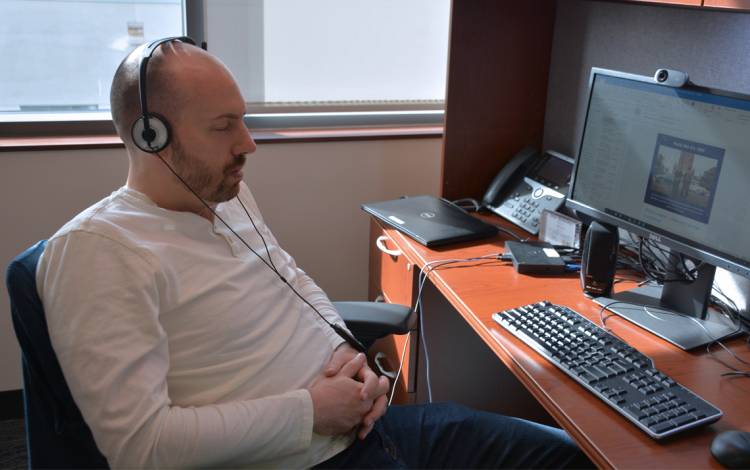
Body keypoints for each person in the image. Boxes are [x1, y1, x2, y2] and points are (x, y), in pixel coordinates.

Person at [36, 38, 591, 468]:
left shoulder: (226, 197)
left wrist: (353, 360)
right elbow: (142, 449)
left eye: (244, 119)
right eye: (224, 126)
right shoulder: (97, 253)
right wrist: (311, 413)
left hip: (373, 428)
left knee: (575, 454)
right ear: (151, 135)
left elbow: (293, 282)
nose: (248, 143)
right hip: (308, 458)